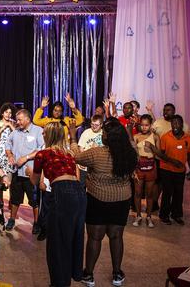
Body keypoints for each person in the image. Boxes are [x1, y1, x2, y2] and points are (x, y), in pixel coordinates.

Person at [68, 118, 136, 287]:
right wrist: (129, 131)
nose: (102, 135)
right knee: (116, 236)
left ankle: (89, 275)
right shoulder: (130, 154)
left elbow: (76, 157)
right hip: (121, 201)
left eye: (105, 133)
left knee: (94, 238)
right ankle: (117, 274)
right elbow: (133, 147)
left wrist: (72, 136)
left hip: (97, 200)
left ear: (109, 137)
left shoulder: (97, 153)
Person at [30, 122, 86, 287]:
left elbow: (35, 180)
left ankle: (59, 283)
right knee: (75, 235)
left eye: (44, 133)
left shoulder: (43, 154)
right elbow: (76, 176)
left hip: (61, 193)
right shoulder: (68, 153)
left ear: (49, 136)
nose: (42, 135)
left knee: (57, 241)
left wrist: (28, 172)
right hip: (79, 193)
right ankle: (73, 273)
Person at [148, 115, 190, 225]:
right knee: (167, 193)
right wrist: (174, 162)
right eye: (173, 123)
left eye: (177, 123)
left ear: (182, 125)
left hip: (180, 171)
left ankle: (176, 215)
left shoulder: (188, 139)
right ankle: (164, 215)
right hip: (166, 169)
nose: (175, 126)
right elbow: (161, 155)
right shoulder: (165, 137)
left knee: (178, 193)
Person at [5, 109, 44, 233]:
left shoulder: (38, 131)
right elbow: (7, 145)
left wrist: (26, 158)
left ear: (27, 119)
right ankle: (12, 219)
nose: (18, 122)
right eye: (17, 120)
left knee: (34, 200)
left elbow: (42, 149)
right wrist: (10, 156)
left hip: (31, 172)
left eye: (20, 120)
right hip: (17, 171)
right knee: (15, 198)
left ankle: (37, 222)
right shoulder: (15, 132)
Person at [0, 103, 17, 225]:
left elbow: (18, 136)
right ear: (2, 113)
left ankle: (12, 210)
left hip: (9, 157)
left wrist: (10, 125)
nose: (8, 114)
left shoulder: (14, 124)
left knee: (10, 183)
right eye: (6, 112)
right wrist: (2, 128)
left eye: (10, 113)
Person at [131, 114, 159, 228]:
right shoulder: (136, 136)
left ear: (150, 125)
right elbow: (133, 155)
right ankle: (138, 216)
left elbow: (159, 154)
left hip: (151, 166)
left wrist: (152, 147)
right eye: (142, 125)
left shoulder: (155, 136)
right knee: (137, 193)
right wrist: (133, 170)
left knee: (150, 194)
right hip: (139, 167)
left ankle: (148, 217)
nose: (144, 127)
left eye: (146, 125)